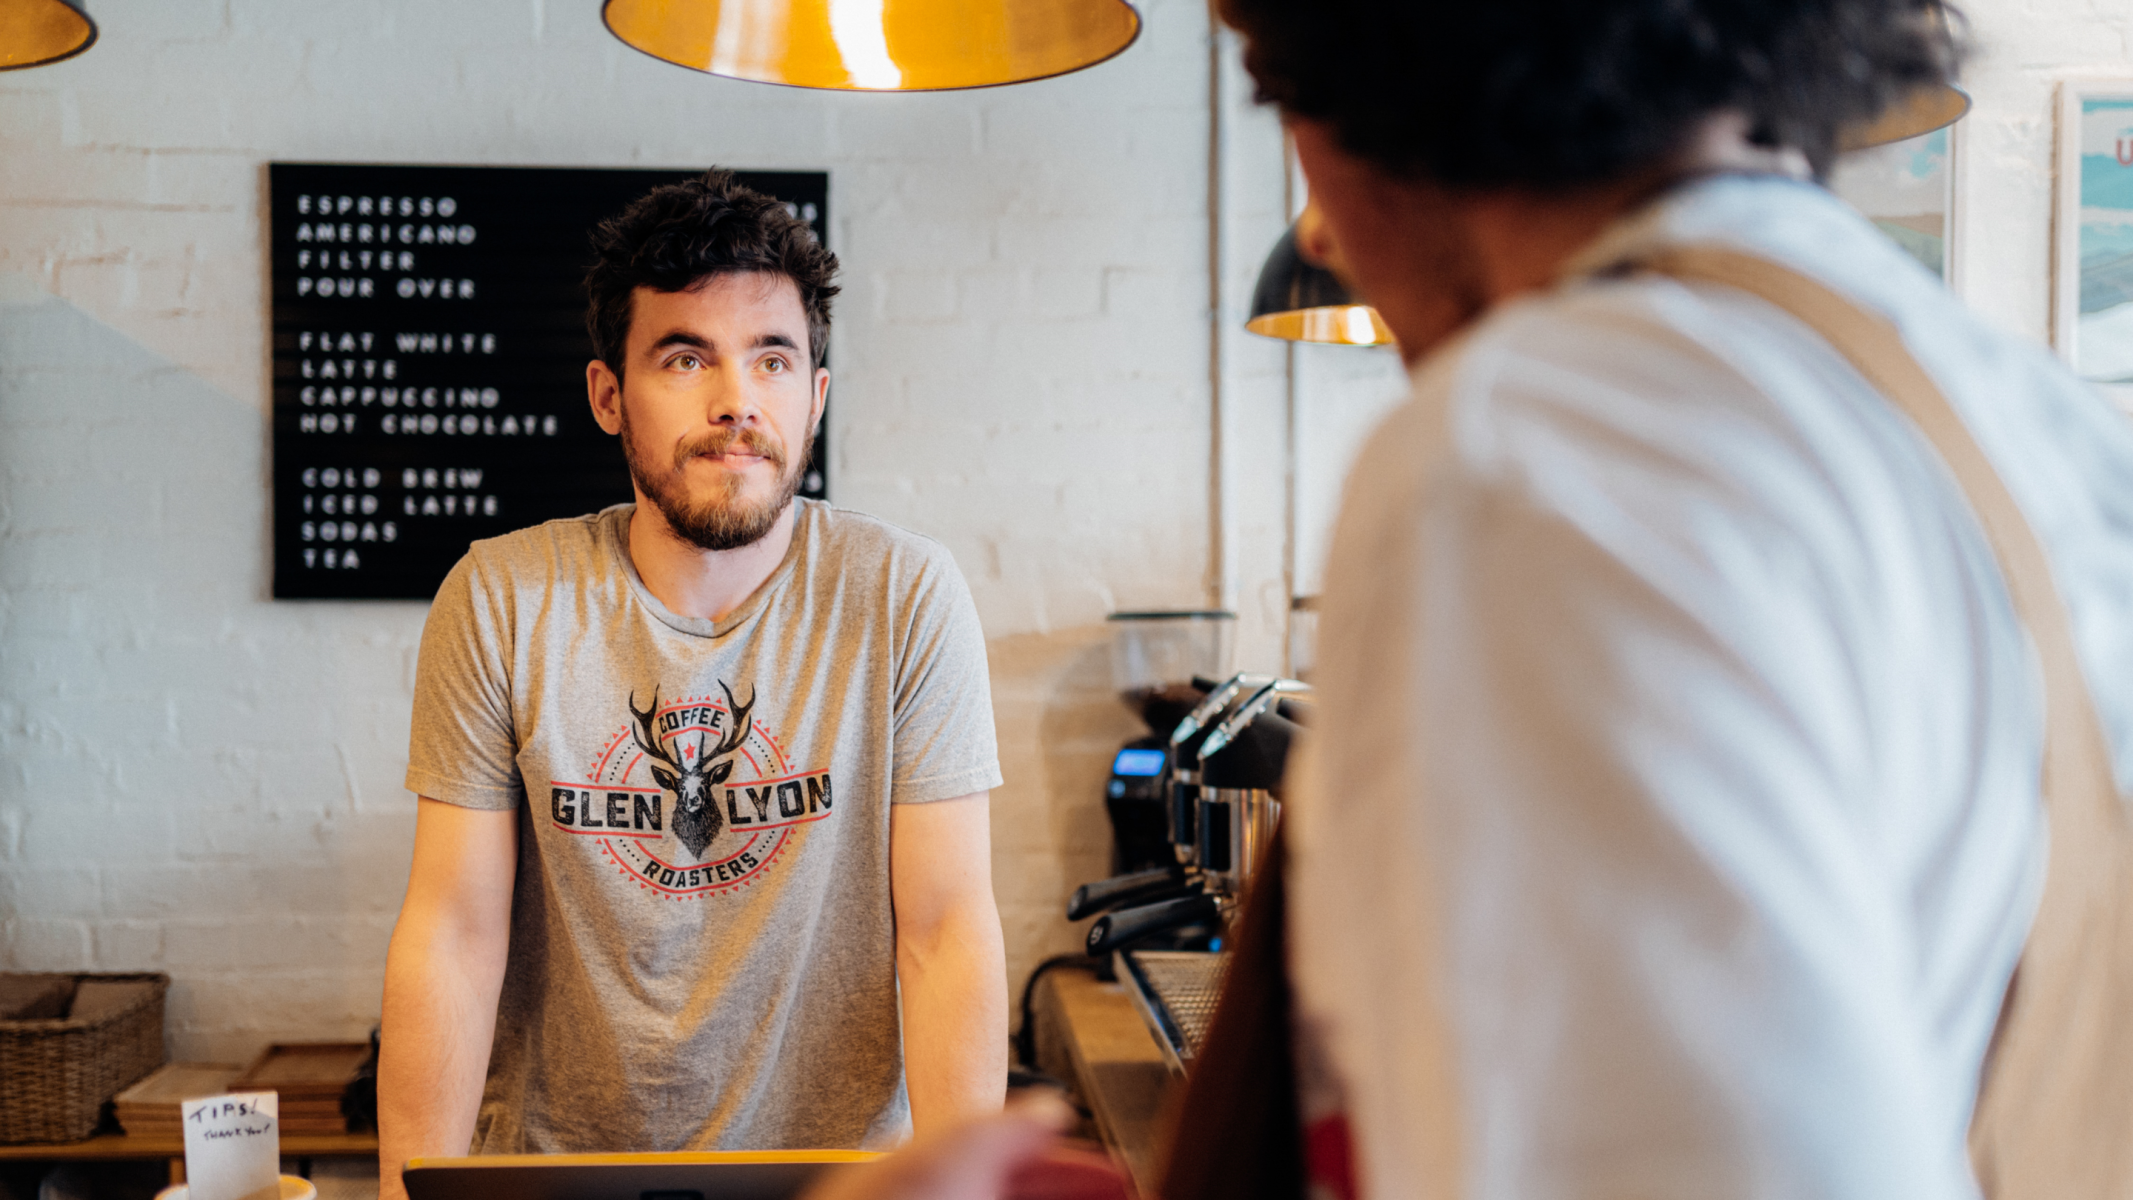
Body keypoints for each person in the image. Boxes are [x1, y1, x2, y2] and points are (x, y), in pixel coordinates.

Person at [798, 1, 2133, 1199]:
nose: (1318, 229)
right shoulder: (2025, 421)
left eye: (1287, 107)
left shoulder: (1551, 448)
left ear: (1382, 73)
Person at [375, 170, 1008, 1200]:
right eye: (686, 357)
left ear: (816, 393)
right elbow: (452, 933)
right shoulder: (500, 597)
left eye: (772, 358)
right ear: (608, 395)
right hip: (557, 1177)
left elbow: (944, 931)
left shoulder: (903, 596)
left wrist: (966, 1189)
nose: (736, 402)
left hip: (844, 1181)